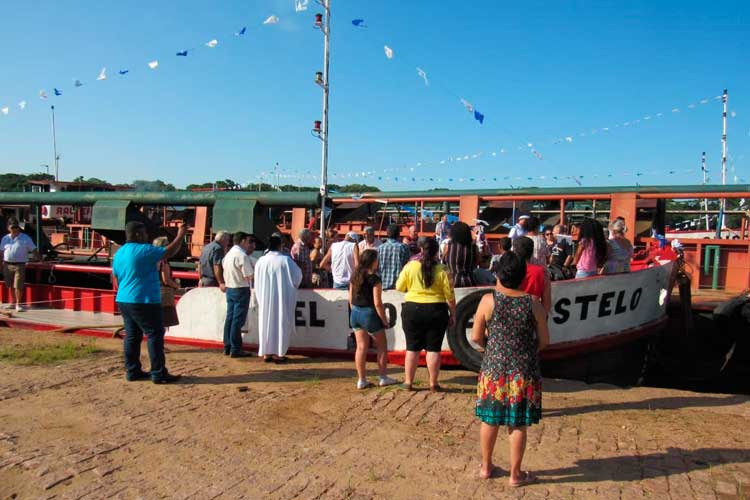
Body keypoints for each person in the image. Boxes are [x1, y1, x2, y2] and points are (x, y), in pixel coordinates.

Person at [471, 251, 549, 486]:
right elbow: (544, 341)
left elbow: (476, 337)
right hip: (522, 370)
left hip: (493, 369)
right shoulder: (532, 303)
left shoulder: (488, 301)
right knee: (517, 423)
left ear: (498, 274)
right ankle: (516, 474)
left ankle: (486, 467)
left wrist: (490, 348)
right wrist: (527, 351)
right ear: (523, 276)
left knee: (490, 419)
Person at [113, 221, 187, 384]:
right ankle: (158, 372)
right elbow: (169, 252)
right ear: (138, 234)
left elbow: (116, 277)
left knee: (132, 336)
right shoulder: (144, 250)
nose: (147, 236)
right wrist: (181, 234)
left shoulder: (119, 253)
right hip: (144, 300)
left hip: (124, 299)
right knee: (155, 334)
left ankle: (133, 370)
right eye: (144, 233)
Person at [396, 238, 456, 392]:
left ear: (421, 250)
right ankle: (433, 383)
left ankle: (408, 382)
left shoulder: (410, 266)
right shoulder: (443, 269)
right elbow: (450, 296)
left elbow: (399, 287)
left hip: (412, 309)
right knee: (434, 349)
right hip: (436, 310)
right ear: (437, 252)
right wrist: (453, 314)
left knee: (412, 348)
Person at [349, 249, 398, 389]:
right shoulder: (375, 279)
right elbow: (378, 303)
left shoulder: (354, 276)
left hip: (355, 312)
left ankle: (361, 380)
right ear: (373, 261)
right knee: (382, 346)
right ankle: (383, 377)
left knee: (361, 347)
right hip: (369, 313)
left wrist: (355, 311)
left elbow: (350, 298)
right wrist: (384, 320)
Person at [255, 234, 303, 363]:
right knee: (281, 323)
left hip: (265, 298)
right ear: (280, 246)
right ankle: (279, 353)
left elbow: (256, 281)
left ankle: (266, 352)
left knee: (266, 323)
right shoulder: (285, 260)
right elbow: (298, 277)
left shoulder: (261, 261)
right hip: (282, 298)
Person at [222, 232, 256, 358]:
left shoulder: (228, 254)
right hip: (240, 289)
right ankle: (236, 348)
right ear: (242, 241)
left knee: (230, 318)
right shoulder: (242, 256)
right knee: (238, 320)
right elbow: (249, 275)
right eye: (247, 241)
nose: (248, 244)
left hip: (230, 288)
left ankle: (228, 345)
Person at [1, 219, 38, 312]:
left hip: (20, 265)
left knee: (18, 285)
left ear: (19, 228)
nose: (14, 229)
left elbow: (34, 249)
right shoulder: (5, 238)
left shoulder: (26, 238)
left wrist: (40, 259)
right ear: (8, 228)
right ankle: (13, 302)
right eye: (12, 227)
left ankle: (18, 304)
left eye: (16, 227)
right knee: (9, 285)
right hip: (7, 264)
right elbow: (1, 252)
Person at [512, 236, 551, 313]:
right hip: (534, 314)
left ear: (514, 251)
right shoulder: (541, 272)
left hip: (511, 314)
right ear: (532, 252)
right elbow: (547, 305)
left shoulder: (508, 271)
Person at [152, 237, 181, 328]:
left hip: (152, 293)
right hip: (164, 295)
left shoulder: (152, 260)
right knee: (163, 324)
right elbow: (166, 280)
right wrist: (177, 285)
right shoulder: (163, 262)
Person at [444, 221, 479, 287]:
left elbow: (444, 261)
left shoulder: (448, 246)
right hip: (469, 282)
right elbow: (476, 263)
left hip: (452, 282)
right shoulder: (473, 247)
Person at [378, 224, 410, 290]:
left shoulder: (380, 248)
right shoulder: (404, 247)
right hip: (399, 286)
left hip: (383, 286)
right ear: (398, 234)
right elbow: (407, 266)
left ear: (387, 233)